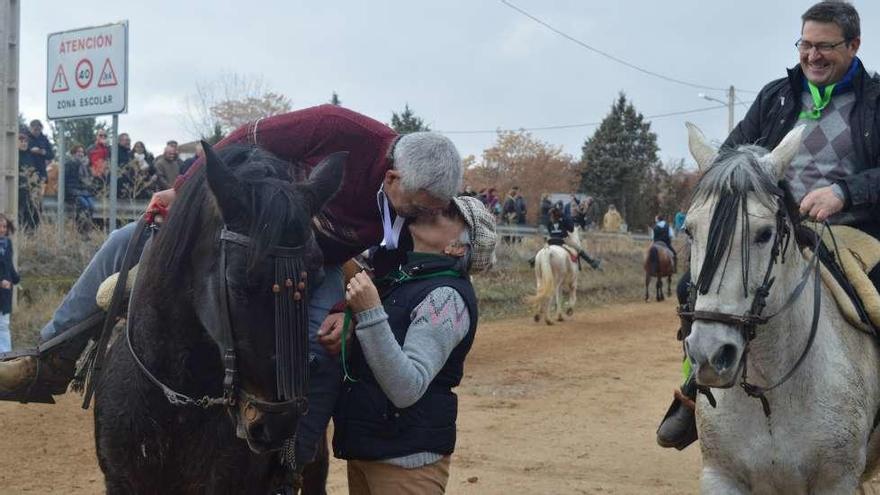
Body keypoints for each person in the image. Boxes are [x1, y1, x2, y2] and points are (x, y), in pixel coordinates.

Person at [0, 104, 464, 478]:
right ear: (393, 178)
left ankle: (290, 459)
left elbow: (387, 260)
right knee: (124, 242)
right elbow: (245, 140)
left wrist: (349, 311)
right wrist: (183, 190)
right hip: (253, 230)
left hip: (318, 262)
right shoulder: (335, 126)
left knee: (318, 349)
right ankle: (52, 355)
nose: (422, 218)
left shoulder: (416, 204)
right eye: (420, 207)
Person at [657, 0, 880, 450]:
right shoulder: (776, 96)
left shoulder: (876, 102)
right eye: (805, 44)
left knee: (879, 302)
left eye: (825, 46)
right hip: (776, 227)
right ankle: (693, 393)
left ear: (854, 45)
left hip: (855, 230)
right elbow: (733, 154)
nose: (813, 55)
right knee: (693, 288)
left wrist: (844, 193)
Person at [322, 196, 494, 494]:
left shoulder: (446, 298)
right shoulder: (405, 279)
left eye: (448, 213)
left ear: (456, 247)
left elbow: (407, 387)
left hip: (407, 463)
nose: (434, 208)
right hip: (370, 450)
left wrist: (370, 312)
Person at [64, 145, 96, 234]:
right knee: (84, 205)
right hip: (73, 191)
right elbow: (65, 180)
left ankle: (88, 229)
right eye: (78, 152)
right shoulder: (69, 164)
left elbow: (89, 180)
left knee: (91, 205)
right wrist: (66, 194)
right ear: (73, 153)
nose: (81, 154)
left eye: (82, 152)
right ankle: (81, 230)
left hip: (84, 191)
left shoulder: (85, 165)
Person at [0, 214, 19, 353]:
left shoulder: (7, 243)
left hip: (5, 292)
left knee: (4, 324)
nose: (2, 229)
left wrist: (15, 278)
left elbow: (9, 266)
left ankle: (5, 355)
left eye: (4, 226)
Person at [18, 131, 41, 231]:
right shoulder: (14, 156)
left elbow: (35, 171)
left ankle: (32, 232)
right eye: (21, 141)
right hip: (20, 188)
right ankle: (24, 231)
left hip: (31, 188)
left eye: (25, 141)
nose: (24, 143)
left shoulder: (31, 156)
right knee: (24, 211)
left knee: (36, 209)